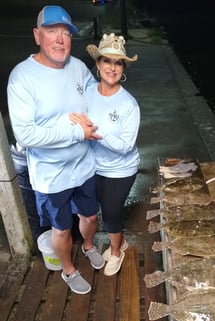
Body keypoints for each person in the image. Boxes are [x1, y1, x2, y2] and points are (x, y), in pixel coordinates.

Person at [7, 5, 105, 295]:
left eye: (66, 33)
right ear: (38, 36)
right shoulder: (22, 77)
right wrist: (76, 130)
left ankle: (88, 246)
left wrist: (97, 111)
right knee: (60, 230)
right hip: (51, 175)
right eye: (52, 32)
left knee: (89, 217)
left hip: (84, 164)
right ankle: (69, 271)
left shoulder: (76, 66)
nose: (61, 39)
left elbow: (93, 98)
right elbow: (26, 134)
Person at [70, 33, 140, 276]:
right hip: (93, 165)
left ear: (123, 68)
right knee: (96, 208)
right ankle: (118, 238)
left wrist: (95, 134)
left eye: (118, 62)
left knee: (111, 211)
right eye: (107, 61)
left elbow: (126, 145)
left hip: (121, 169)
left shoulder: (128, 104)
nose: (112, 67)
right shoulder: (87, 93)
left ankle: (117, 252)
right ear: (98, 64)